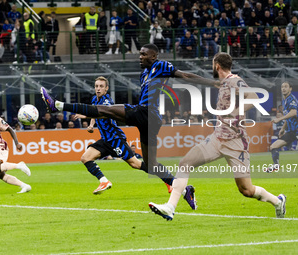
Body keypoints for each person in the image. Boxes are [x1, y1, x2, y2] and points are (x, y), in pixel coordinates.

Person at [40, 43, 221, 209]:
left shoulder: (162, 66)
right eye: (140, 54)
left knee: (104, 109)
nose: (140, 57)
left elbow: (186, 75)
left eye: (143, 54)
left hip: (146, 113)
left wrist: (213, 83)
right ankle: (184, 190)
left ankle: (57, 105)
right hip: (146, 119)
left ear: (153, 56)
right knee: (151, 165)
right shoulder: (144, 74)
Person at [148, 52, 286, 221]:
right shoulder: (224, 83)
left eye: (213, 65)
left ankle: (278, 202)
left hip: (236, 143)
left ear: (217, 66)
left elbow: (254, 97)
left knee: (246, 190)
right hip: (217, 139)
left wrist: (236, 111)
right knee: (185, 163)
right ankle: (170, 207)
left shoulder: (234, 80)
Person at [77, 76, 178, 194]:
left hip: (115, 139)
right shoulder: (95, 99)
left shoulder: (107, 102)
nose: (98, 89)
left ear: (106, 89)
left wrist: (86, 116)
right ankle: (104, 181)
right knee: (85, 158)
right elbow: (95, 112)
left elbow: (103, 114)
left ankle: (168, 180)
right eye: (96, 86)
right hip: (105, 140)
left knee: (136, 164)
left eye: (101, 87)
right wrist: (91, 124)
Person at [266, 82, 298, 172]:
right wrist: (283, 128)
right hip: (292, 132)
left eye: (286, 87)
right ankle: (276, 165)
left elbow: (293, 112)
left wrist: (279, 119)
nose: (283, 88)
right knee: (273, 147)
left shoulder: (291, 99)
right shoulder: (284, 101)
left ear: (290, 89)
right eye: (282, 87)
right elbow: (289, 116)